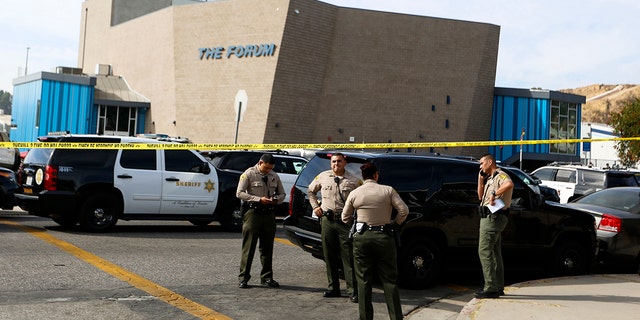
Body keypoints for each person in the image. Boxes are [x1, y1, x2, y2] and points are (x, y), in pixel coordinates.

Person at [342, 162, 408, 320]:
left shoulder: (356, 193)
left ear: (363, 177)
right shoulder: (388, 190)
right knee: (389, 280)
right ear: (376, 175)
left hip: (362, 238)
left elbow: (345, 217)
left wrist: (357, 225)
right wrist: (395, 223)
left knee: (364, 280)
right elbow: (404, 210)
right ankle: (396, 317)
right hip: (384, 237)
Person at [308, 152, 362, 303]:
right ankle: (333, 288)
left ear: (344, 163)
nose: (335, 164)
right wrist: (315, 207)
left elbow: (361, 200)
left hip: (345, 222)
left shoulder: (354, 181)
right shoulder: (323, 176)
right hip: (327, 220)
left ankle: (353, 290)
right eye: (333, 162)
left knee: (348, 257)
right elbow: (311, 191)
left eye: (339, 161)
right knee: (329, 255)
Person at [236, 153, 285, 289]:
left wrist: (277, 199)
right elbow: (239, 193)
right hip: (253, 213)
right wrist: (258, 199)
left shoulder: (274, 176)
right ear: (260, 163)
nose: (268, 170)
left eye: (270, 168)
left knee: (267, 247)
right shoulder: (249, 174)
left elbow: (282, 193)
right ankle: (244, 277)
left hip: (269, 214)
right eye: (266, 167)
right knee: (249, 247)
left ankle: (267, 277)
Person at [475, 153, 514, 299]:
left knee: (484, 250)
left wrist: (494, 194)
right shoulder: (490, 178)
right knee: (495, 252)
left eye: (482, 163)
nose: (480, 166)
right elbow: (480, 197)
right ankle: (498, 287)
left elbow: (510, 184)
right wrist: (480, 179)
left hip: (493, 217)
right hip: (488, 216)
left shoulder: (500, 175)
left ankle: (490, 287)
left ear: (490, 162)